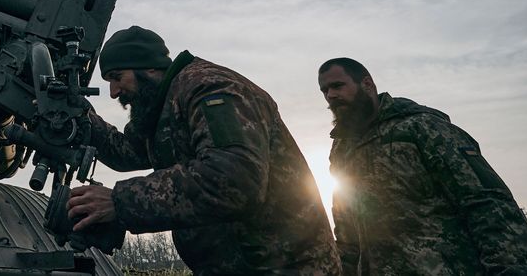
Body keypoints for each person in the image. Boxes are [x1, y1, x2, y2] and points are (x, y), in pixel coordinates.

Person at [67, 26, 340, 274]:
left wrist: (119, 202)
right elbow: (125, 151)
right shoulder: (160, 105)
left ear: (148, 68)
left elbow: (234, 178)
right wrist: (77, 114)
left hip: (284, 266)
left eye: (117, 78)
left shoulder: (210, 88)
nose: (113, 92)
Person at [317, 57, 527, 275]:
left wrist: (511, 270)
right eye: (325, 91)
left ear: (367, 84)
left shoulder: (423, 128)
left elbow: (487, 204)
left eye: (337, 86)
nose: (331, 96)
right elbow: (347, 233)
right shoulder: (341, 151)